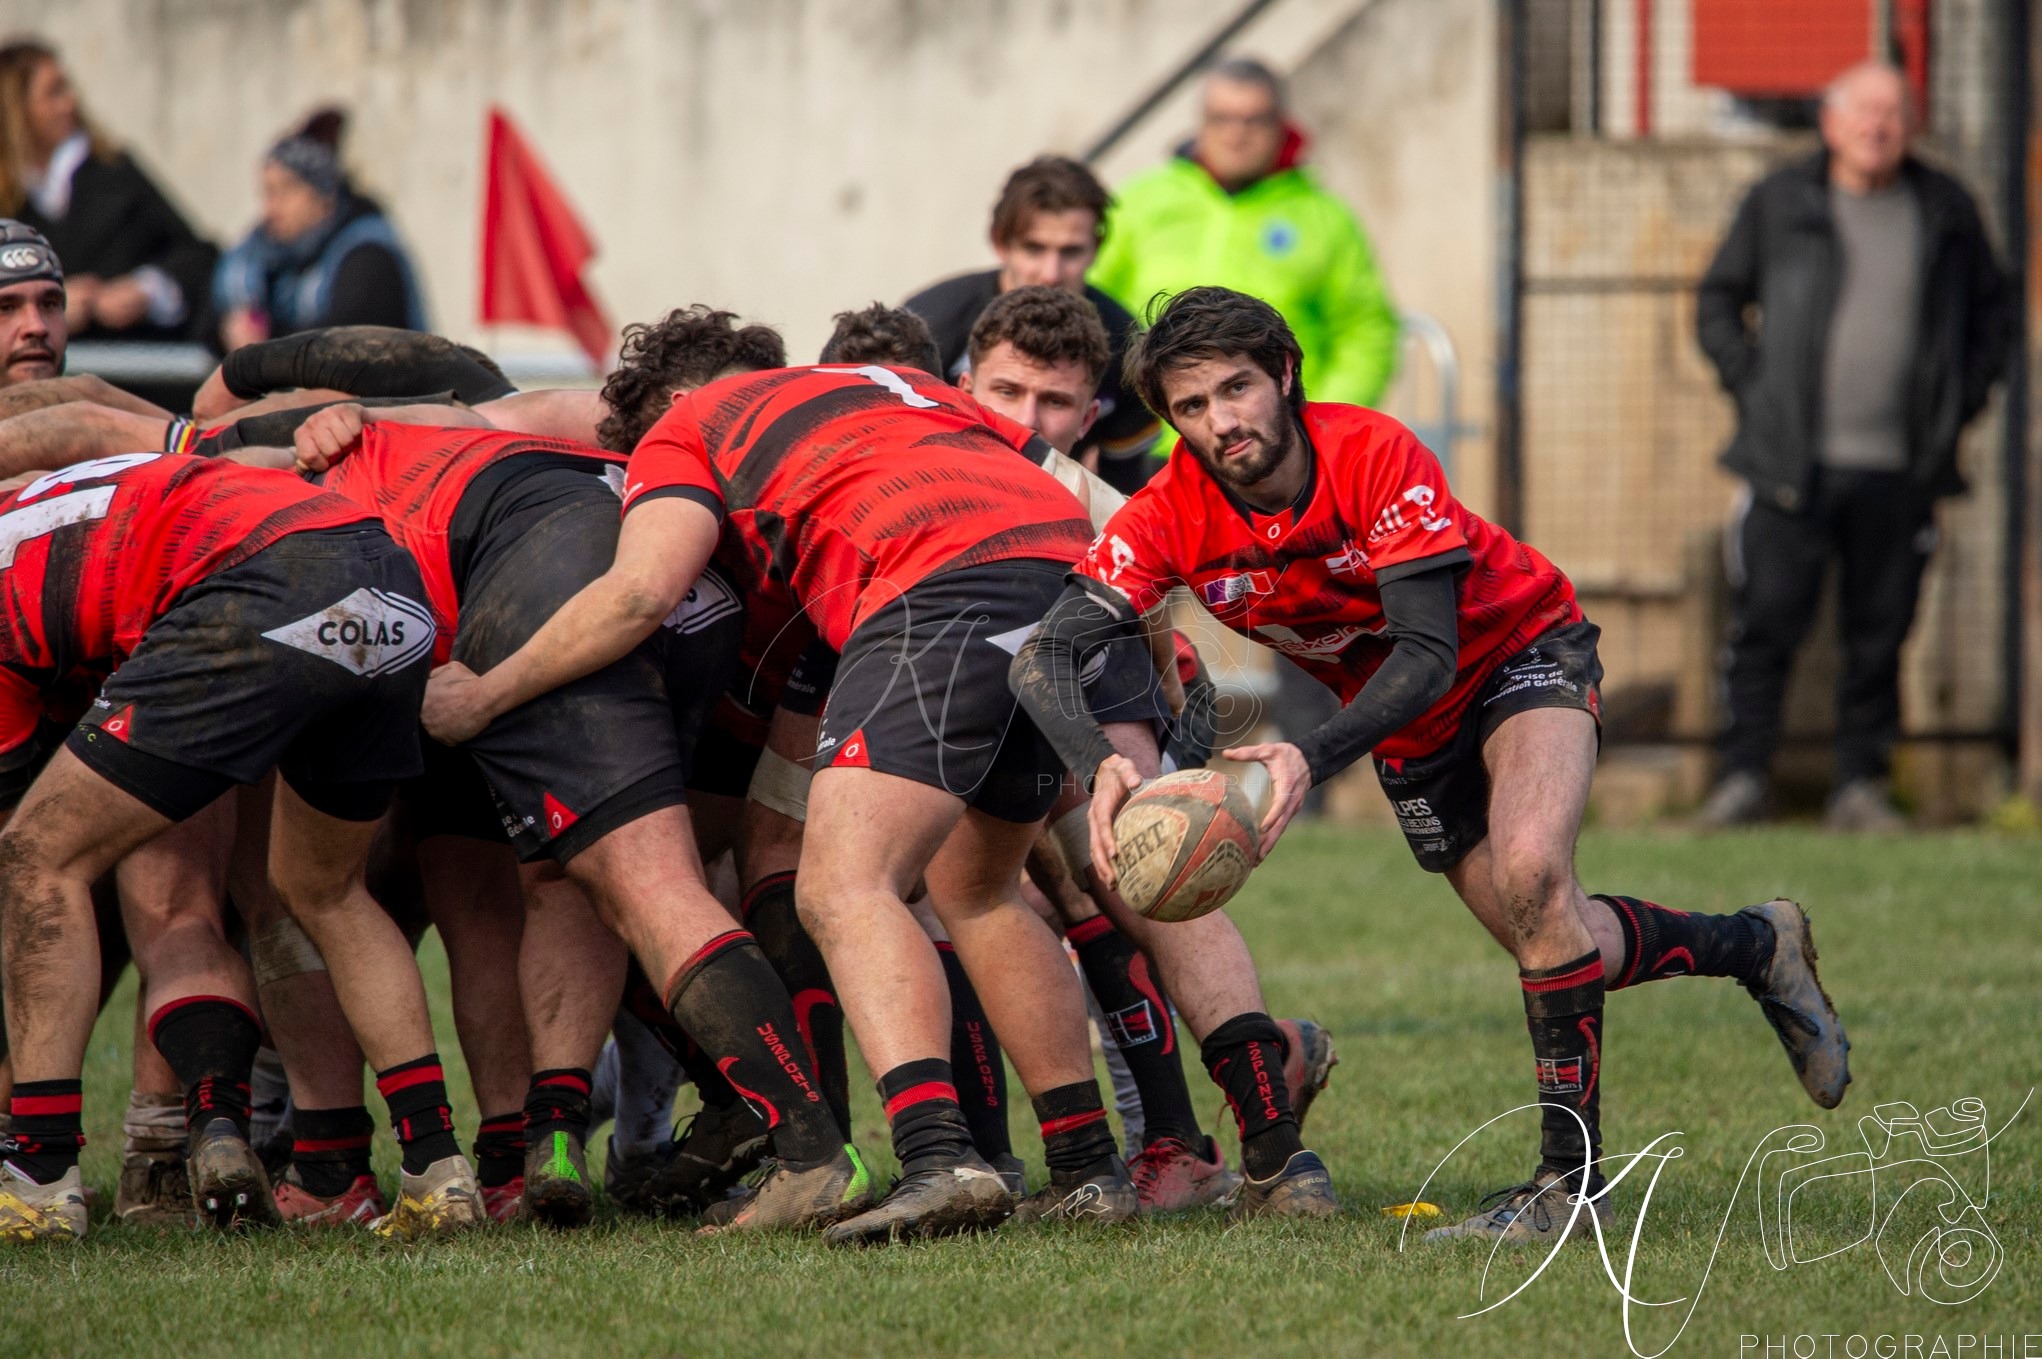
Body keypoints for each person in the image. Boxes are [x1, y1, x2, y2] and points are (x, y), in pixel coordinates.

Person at [1010, 286, 1853, 1243]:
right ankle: (1756, 944)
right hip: (1406, 729)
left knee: (1537, 878)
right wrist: (1101, 762)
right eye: (1192, 408)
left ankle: (1567, 1188)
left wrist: (1307, 756)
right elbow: (1045, 654)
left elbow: (1427, 652)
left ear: (1283, 374)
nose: (1222, 422)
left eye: (1237, 389)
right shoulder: (1170, 511)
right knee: (1552, 936)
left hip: (1516, 654)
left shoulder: (1373, 452)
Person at [416, 336, 1148, 1243]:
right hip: (1066, 573)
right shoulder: (887, 385)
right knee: (983, 887)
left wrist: (485, 690)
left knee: (843, 886)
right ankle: (1086, 1165)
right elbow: (1088, 490)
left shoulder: (682, 432)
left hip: (939, 583)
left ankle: (938, 1157)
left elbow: (641, 592)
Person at [0, 452, 473, 1243]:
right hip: (388, 582)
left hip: (261, 586)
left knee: (37, 857)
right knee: (325, 888)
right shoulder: (56, 504)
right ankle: (436, 1170)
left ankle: (40, 1178)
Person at [958, 284, 1339, 1214]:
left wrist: (1156, 736)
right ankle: (1024, 1154)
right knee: (988, 897)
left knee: (1141, 869)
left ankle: (1234, 1144)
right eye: (1007, 394)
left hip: (1086, 666)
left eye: (1054, 403)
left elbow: (1156, 625)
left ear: (1091, 414)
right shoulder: (935, 476)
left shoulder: (1103, 510)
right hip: (953, 656)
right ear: (962, 386)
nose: (1028, 420)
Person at [1695, 61, 2014, 832]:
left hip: (1902, 469)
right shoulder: (1782, 201)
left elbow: (1994, 319)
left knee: (1880, 635)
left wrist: (1957, 407)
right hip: (1788, 470)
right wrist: (1756, 391)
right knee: (1766, 623)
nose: (1878, 127)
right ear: (1830, 123)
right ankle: (1741, 780)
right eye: (1864, 113)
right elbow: (1716, 302)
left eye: (1893, 113)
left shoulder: (1944, 208)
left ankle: (1861, 786)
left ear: (1911, 125)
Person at [1088, 58, 1399, 430]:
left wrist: (1318, 423)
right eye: (1222, 118)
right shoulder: (1140, 201)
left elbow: (1365, 332)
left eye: (1254, 120)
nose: (1237, 134)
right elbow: (1093, 305)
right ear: (1201, 122)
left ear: (1281, 124)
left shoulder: (1325, 217)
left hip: (1274, 448)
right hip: (1148, 443)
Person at [904, 156, 1160, 490]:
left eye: (1070, 252)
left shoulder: (1126, 345)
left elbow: (1124, 489)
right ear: (1000, 243)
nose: (1051, 273)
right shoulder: (932, 323)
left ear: (1096, 248)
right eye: (1034, 249)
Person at [0, 40, 216, 361]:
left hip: (139, 365)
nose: (70, 102)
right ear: (17, 108)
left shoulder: (114, 173)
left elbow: (198, 256)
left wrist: (148, 290)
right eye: (54, 92)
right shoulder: (11, 200)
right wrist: (51, 304)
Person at [214, 110, 427, 351]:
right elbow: (206, 322)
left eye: (286, 191)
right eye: (267, 193)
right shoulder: (257, 255)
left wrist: (266, 338)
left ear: (323, 197)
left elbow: (347, 344)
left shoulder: (368, 255)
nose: (270, 209)